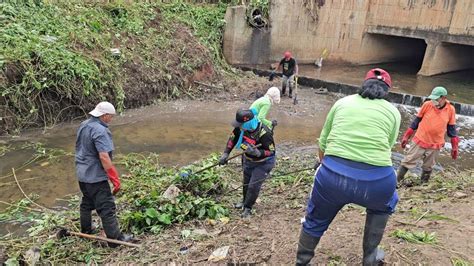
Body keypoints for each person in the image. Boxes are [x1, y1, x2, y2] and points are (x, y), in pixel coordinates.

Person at [295, 68, 401, 265]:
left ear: (364, 84)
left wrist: (323, 164)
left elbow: (323, 142)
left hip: (333, 178)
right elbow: (388, 145)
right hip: (378, 182)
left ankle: (302, 261)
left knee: (315, 219)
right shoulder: (393, 111)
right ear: (387, 90)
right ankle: (370, 257)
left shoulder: (342, 103)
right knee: (385, 205)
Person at [75, 101, 131, 246]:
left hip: (82, 174)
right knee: (106, 206)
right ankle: (115, 240)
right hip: (95, 177)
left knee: (87, 203)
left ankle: (86, 230)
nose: (111, 119)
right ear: (105, 115)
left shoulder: (84, 125)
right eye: (110, 117)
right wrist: (115, 179)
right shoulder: (100, 130)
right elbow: (104, 157)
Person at [218, 108, 276, 218]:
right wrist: (226, 153)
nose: (239, 127)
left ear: (248, 122)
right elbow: (232, 138)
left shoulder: (264, 133)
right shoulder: (240, 128)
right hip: (248, 160)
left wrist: (258, 153)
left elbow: (271, 151)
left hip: (263, 163)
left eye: (241, 124)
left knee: (253, 186)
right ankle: (244, 201)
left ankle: (248, 208)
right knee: (246, 182)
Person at [397, 86, 459, 183]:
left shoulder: (450, 109)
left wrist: (454, 147)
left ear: (443, 98)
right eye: (432, 99)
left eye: (436, 99)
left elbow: (452, 130)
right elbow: (416, 122)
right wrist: (406, 136)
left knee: (428, 166)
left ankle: (423, 185)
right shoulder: (427, 105)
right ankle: (397, 182)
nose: (433, 101)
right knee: (407, 161)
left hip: (435, 144)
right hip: (420, 140)